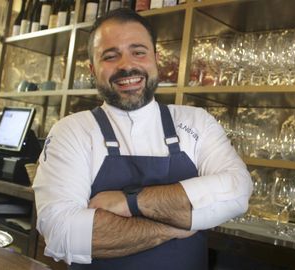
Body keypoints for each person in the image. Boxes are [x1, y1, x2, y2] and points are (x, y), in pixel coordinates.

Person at [33, 8, 252, 270]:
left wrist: (130, 202)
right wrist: (173, 228)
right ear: (93, 69)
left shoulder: (197, 122)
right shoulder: (71, 131)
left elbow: (237, 191)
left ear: (155, 59)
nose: (126, 65)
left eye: (138, 52)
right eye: (110, 56)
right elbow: (62, 232)